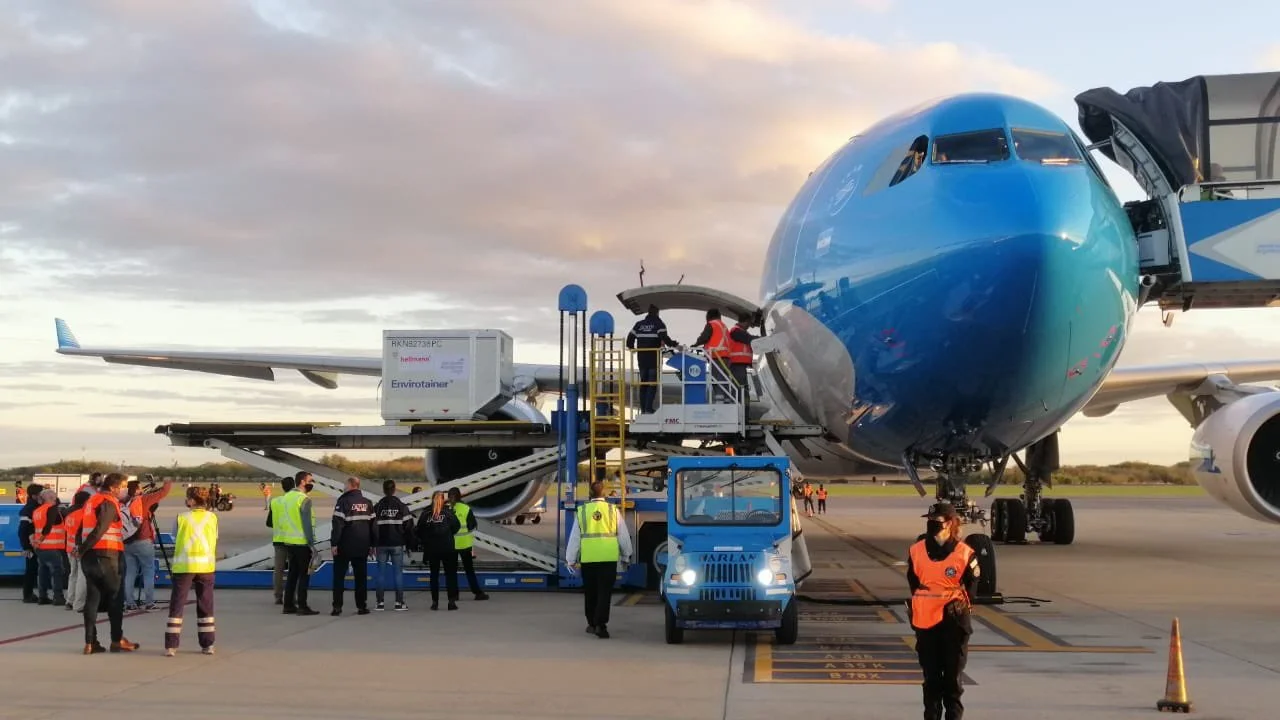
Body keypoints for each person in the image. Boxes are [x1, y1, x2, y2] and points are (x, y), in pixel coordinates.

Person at [906, 502, 979, 720]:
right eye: (929, 521)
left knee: (953, 678)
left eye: (935, 521)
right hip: (926, 620)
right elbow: (913, 581)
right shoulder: (916, 550)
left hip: (953, 619)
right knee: (931, 678)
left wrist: (957, 607)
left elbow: (972, 587)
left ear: (949, 523)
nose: (931, 525)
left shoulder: (965, 553)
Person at [73, 473, 140, 654]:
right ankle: (117, 640)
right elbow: (100, 529)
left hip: (90, 558)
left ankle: (90, 642)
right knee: (115, 598)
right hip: (107, 556)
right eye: (123, 486)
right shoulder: (108, 503)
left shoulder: (90, 501)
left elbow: (81, 530)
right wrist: (84, 548)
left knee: (92, 598)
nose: (125, 490)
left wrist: (80, 548)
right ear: (113, 487)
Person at [565, 481, 633, 639]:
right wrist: (626, 554)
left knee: (590, 592)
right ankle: (601, 625)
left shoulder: (582, 511)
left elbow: (575, 537)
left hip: (589, 559)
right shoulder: (612, 510)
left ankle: (591, 623)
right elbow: (622, 534)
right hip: (608, 559)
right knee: (604, 593)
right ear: (605, 494)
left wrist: (570, 559)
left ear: (590, 494)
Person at [165, 486, 219, 656]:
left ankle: (171, 646)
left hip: (184, 566)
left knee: (177, 606)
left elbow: (175, 536)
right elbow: (215, 537)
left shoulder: (181, 518)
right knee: (205, 606)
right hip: (205, 567)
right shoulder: (212, 517)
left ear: (193, 500)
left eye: (188, 498)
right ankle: (208, 644)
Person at [122, 476, 174, 611]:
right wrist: (167, 482)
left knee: (130, 573)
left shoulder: (123, 501)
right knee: (148, 571)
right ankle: (149, 602)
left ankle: (129, 603)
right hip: (143, 540)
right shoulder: (143, 500)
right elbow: (163, 493)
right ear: (137, 490)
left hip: (126, 542)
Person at [330, 476, 374, 616]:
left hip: (344, 545)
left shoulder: (343, 502)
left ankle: (337, 606)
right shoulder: (368, 503)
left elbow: (337, 525)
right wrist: (372, 544)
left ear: (349, 485)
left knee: (339, 577)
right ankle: (362, 606)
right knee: (361, 578)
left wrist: (334, 543)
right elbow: (373, 527)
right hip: (362, 546)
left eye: (345, 484)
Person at [625, 304, 679, 413]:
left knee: (643, 384)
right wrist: (673, 344)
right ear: (657, 313)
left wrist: (631, 348)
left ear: (648, 313)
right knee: (652, 384)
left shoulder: (639, 324)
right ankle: (648, 409)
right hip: (654, 359)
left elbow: (630, 338)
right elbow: (665, 338)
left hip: (642, 359)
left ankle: (644, 409)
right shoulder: (659, 324)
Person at [280, 473, 319, 616]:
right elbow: (307, 523)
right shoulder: (303, 499)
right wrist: (311, 543)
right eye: (309, 481)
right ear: (302, 482)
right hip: (302, 542)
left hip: (289, 541)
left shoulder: (287, 497)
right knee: (304, 575)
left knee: (292, 574)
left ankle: (288, 604)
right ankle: (302, 605)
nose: (311, 484)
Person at [372, 480, 414, 611]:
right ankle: (399, 603)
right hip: (397, 544)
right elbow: (409, 528)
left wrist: (372, 544)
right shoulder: (401, 506)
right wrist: (409, 545)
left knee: (381, 574)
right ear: (394, 489)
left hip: (381, 544)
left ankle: (380, 603)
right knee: (398, 573)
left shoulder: (378, 506)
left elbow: (372, 527)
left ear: (384, 490)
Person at [415, 491, 461, 611]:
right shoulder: (448, 512)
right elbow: (456, 526)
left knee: (434, 575)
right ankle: (451, 602)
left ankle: (435, 602)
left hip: (432, 548)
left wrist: (426, 540)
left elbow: (419, 529)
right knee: (450, 575)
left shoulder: (426, 513)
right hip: (447, 547)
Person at [447, 488, 490, 602]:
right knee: (469, 570)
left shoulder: (447, 509)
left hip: (451, 545)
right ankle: (477, 593)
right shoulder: (466, 508)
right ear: (460, 496)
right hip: (465, 544)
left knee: (451, 571)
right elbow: (472, 525)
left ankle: (454, 595)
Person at [31, 489, 68, 606]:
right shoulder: (52, 509)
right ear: (52, 498)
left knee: (42, 571)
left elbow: (36, 528)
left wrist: (37, 541)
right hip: (53, 546)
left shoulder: (37, 511)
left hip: (40, 547)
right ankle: (58, 597)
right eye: (55, 496)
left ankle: (42, 596)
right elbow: (48, 526)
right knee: (57, 572)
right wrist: (41, 538)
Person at [265, 476, 296, 605]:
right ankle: (292, 596)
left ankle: (278, 596)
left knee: (279, 569)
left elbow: (269, 522)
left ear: (282, 487)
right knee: (294, 569)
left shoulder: (275, 502)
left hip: (278, 540)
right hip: (294, 540)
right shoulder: (296, 500)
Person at [691, 308, 733, 402]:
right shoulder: (723, 325)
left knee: (716, 377)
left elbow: (704, 337)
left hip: (716, 355)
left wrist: (695, 345)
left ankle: (719, 398)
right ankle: (726, 399)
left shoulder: (712, 324)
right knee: (724, 378)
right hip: (726, 356)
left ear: (708, 316)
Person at [62, 490, 93, 613]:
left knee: (73, 574)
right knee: (82, 576)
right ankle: (79, 604)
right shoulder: (84, 514)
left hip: (69, 548)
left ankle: (70, 600)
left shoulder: (70, 514)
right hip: (80, 548)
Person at [17, 482, 45, 604]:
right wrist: (26, 547)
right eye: (41, 494)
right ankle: (27, 595)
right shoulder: (28, 510)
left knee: (34, 569)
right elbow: (22, 530)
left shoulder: (36, 507)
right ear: (34, 495)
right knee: (31, 570)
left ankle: (30, 594)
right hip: (31, 545)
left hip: (35, 544)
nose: (43, 496)